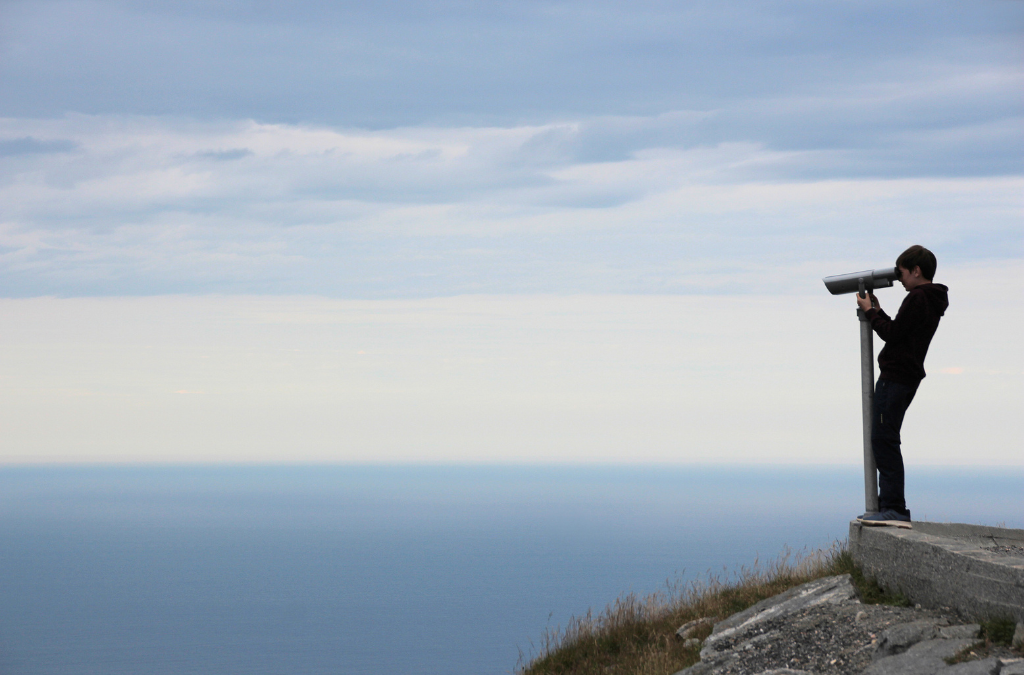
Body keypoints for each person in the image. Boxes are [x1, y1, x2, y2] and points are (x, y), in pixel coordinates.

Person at [855, 245, 949, 526]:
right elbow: (900, 331)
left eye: (903, 273)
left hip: (895, 376)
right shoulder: (931, 299)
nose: (901, 280)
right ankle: (889, 506)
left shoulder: (917, 298)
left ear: (916, 271)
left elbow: (892, 335)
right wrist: (878, 312)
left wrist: (871, 313)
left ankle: (894, 507)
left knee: (884, 438)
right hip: (906, 376)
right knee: (886, 436)